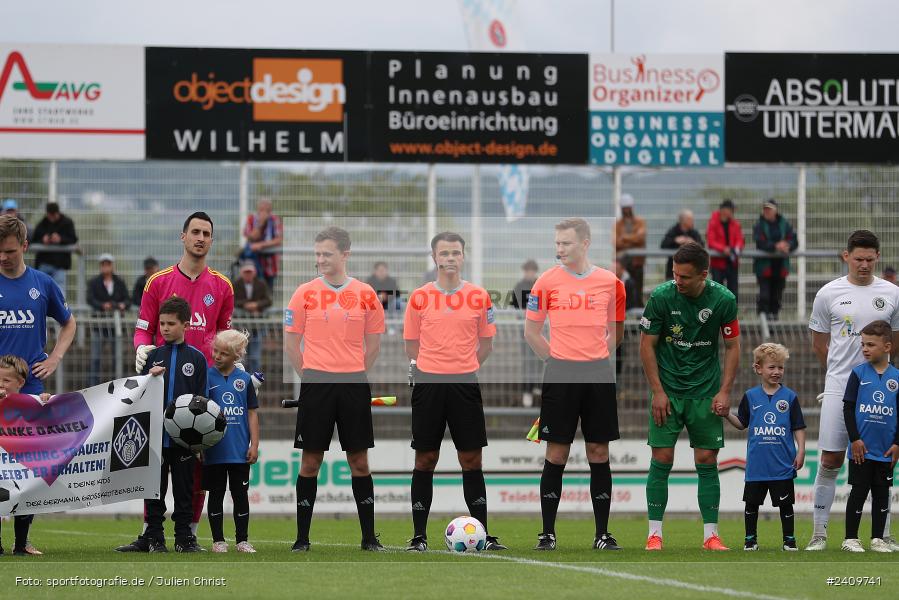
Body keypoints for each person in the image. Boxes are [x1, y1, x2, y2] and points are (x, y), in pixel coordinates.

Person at [126, 212, 236, 549]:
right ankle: (151, 532)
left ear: (211, 240)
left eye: (207, 233)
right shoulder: (157, 282)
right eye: (195, 232)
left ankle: (188, 530)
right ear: (183, 236)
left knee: (198, 460)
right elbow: (143, 329)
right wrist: (143, 350)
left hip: (205, 384)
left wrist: (236, 370)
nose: (201, 238)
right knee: (154, 461)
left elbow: (224, 337)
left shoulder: (222, 286)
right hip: (162, 383)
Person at [525, 218, 626, 551]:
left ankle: (602, 534)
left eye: (565, 243)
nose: (559, 249)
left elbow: (618, 332)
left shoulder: (611, 283)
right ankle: (547, 533)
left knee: (598, 452)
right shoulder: (545, 282)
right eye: (556, 243)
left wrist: (595, 356)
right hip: (560, 376)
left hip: (597, 375)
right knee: (557, 452)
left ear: (585, 243)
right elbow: (532, 332)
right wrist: (556, 361)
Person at [284, 226, 386, 552]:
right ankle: (302, 539)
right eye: (317, 254)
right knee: (310, 462)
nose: (321, 260)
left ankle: (369, 538)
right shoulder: (304, 293)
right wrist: (312, 375)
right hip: (317, 385)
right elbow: (290, 342)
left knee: (359, 461)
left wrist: (352, 372)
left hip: (354, 383)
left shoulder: (366, 293)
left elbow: (373, 344)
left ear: (345, 254)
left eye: (327, 254)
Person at [403, 231, 505, 552]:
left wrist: (463, 365)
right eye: (444, 253)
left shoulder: (479, 296)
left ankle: (484, 536)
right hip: (429, 385)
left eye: (456, 253)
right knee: (426, 458)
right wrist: (434, 365)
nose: (450, 258)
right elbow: (411, 343)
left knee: (471, 458)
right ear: (434, 257)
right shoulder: (419, 297)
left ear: (463, 257)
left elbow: (487, 342)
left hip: (464, 384)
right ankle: (419, 537)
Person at [640, 242, 740, 551]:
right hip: (668, 391)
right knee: (662, 458)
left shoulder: (723, 300)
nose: (677, 281)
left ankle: (711, 536)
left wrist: (724, 390)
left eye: (684, 277)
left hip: (705, 392)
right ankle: (654, 534)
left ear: (703, 275)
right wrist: (657, 391)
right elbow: (646, 345)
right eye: (674, 274)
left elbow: (733, 346)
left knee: (707, 459)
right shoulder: (660, 297)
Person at [807, 230, 899, 551]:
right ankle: (819, 534)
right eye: (858, 259)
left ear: (877, 258)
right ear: (846, 256)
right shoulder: (828, 294)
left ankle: (882, 535)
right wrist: (839, 376)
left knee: (879, 461)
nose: (863, 265)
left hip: (879, 390)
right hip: (839, 385)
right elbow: (820, 343)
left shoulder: (891, 293)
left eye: (869, 260)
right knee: (831, 459)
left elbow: (894, 342)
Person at [129, 297, 207, 553]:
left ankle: (184, 538)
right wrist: (147, 379)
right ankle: (154, 538)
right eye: (161, 323)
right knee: (154, 492)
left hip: (183, 441)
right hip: (154, 440)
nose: (164, 328)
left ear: (186, 325)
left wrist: (199, 441)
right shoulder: (152, 356)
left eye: (170, 324)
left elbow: (202, 401)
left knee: (184, 492)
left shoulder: (196, 359)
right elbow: (136, 396)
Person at [724, 343, 806, 552]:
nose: (777, 372)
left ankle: (789, 540)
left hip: (782, 464)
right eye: (771, 367)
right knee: (752, 504)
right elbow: (742, 423)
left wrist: (801, 449)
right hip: (757, 465)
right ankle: (750, 540)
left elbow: (798, 426)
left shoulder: (790, 397)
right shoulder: (751, 396)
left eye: (780, 367)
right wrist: (726, 414)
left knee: (786, 505)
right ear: (758, 368)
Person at [840, 320, 899, 553]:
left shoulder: (897, 376)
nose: (865, 349)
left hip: (886, 449)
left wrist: (897, 443)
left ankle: (877, 539)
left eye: (870, 344)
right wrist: (855, 439)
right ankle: (850, 538)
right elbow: (848, 408)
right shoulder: (857, 374)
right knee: (858, 490)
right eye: (863, 344)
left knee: (882, 493)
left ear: (887, 347)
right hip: (861, 449)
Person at [203, 330, 260, 554]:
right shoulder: (206, 377)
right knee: (215, 495)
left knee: (240, 496)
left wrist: (254, 445)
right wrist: (200, 445)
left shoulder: (245, 380)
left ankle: (242, 540)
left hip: (239, 451)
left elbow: (252, 413)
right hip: (214, 450)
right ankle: (218, 540)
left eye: (223, 353)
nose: (217, 356)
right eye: (215, 351)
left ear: (236, 356)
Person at [0, 354, 50, 556]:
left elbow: (47, 421)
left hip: (22, 464)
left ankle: (21, 544)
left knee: (27, 498)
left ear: (20, 382)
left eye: (6, 380)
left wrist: (45, 401)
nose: (1, 384)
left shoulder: (30, 402)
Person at [87, 253, 130, 386]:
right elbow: (90, 298)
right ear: (101, 266)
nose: (106, 267)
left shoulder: (119, 282)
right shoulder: (94, 282)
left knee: (116, 357)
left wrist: (122, 305)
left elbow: (128, 299)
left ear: (112, 266)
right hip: (99, 324)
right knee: (95, 357)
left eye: (108, 264)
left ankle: (116, 384)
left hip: (115, 325)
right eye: (103, 264)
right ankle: (93, 385)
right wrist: (102, 306)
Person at [752, 199, 798, 320]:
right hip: (764, 268)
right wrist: (775, 246)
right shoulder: (759, 225)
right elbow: (760, 242)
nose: (766, 211)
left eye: (769, 209)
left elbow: (794, 240)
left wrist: (787, 245)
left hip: (780, 267)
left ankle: (774, 326)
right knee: (764, 297)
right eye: (765, 209)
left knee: (776, 297)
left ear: (775, 210)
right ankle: (764, 324)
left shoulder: (784, 224)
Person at [512, 259, 542, 406]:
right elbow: (516, 307)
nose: (530, 273)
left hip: (540, 329)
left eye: (532, 270)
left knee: (539, 358)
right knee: (527, 360)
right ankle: (526, 391)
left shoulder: (540, 284)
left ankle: (537, 386)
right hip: (524, 330)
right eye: (527, 270)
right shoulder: (519, 286)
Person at [30, 202, 78, 293]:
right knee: (41, 291)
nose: (51, 218)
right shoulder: (43, 223)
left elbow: (73, 239)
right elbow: (33, 241)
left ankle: (59, 307)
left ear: (57, 213)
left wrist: (60, 239)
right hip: (44, 263)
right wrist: (43, 240)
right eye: (50, 215)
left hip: (60, 264)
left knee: (59, 292)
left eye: (53, 215)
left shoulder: (67, 223)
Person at [233, 261, 272, 373]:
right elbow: (231, 300)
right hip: (241, 326)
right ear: (241, 272)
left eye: (250, 272)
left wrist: (256, 305)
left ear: (254, 273)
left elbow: (268, 300)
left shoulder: (261, 284)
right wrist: (247, 305)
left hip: (256, 326)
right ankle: (242, 379)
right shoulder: (235, 284)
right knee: (241, 357)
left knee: (255, 357)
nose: (248, 274)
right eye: (246, 272)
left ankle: (254, 381)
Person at [706, 199, 744, 301]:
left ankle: (732, 315)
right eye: (731, 209)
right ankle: (717, 314)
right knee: (717, 291)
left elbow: (740, 239)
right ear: (724, 210)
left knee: (733, 292)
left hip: (732, 263)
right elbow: (711, 241)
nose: (733, 212)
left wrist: (736, 248)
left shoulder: (735, 224)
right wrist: (723, 249)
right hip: (718, 264)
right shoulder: (713, 222)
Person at [241, 198, 283, 290]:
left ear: (270, 210)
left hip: (270, 264)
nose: (264, 213)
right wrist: (260, 224)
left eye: (267, 210)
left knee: (268, 292)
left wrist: (261, 245)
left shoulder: (275, 220)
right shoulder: (251, 219)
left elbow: (278, 239)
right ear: (258, 209)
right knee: (255, 291)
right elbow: (250, 237)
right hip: (254, 264)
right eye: (261, 210)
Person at [615, 193, 646, 306]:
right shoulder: (618, 225)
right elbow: (615, 242)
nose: (627, 210)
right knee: (624, 292)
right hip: (624, 265)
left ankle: (639, 321)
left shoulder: (640, 222)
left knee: (638, 292)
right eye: (625, 208)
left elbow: (641, 237)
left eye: (628, 208)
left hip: (637, 263)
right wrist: (633, 239)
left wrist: (625, 238)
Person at [614, 259, 640, 377]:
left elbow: (632, 302)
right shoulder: (612, 281)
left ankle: (618, 374)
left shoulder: (629, 282)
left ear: (622, 269)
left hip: (627, 320)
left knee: (619, 347)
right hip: (617, 319)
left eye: (616, 268)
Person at [660, 210, 703, 280]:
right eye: (690, 219)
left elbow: (702, 246)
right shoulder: (673, 231)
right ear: (684, 220)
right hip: (673, 270)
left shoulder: (694, 232)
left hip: (691, 271)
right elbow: (663, 245)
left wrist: (692, 243)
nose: (693, 221)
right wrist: (675, 240)